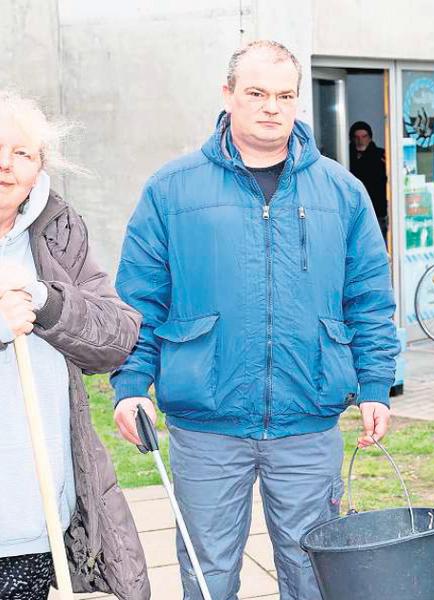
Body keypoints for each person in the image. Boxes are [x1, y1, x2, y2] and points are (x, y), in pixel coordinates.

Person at [111, 40, 399, 600]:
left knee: (312, 574)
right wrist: (129, 386)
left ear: (297, 101)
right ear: (229, 95)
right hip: (206, 425)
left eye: (285, 95)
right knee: (207, 572)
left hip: (308, 421)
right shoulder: (171, 190)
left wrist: (374, 386)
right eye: (257, 93)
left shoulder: (342, 192)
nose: (272, 106)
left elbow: (368, 299)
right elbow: (139, 301)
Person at [0, 91, 149, 599]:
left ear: (40, 164)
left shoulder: (56, 231)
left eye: (22, 152)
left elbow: (117, 335)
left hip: (35, 511)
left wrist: (49, 303)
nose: (6, 164)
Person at [349, 121, 388, 240]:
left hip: (377, 210)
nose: (360, 140)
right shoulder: (346, 155)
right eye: (357, 137)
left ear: (370, 138)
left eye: (364, 136)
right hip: (353, 211)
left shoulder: (381, 155)